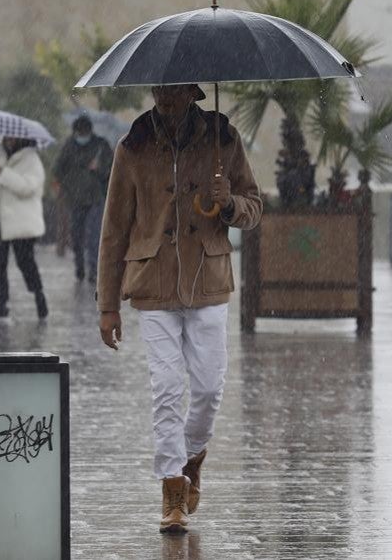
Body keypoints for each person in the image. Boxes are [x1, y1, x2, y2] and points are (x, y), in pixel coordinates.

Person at [96, 83, 262, 534]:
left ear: (192, 92)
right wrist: (107, 305)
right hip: (152, 282)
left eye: (173, 91)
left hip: (207, 279)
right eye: (158, 90)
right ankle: (172, 489)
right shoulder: (132, 146)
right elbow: (114, 229)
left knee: (209, 388)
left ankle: (193, 455)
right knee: (167, 386)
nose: (164, 98)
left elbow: (254, 207)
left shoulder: (222, 139)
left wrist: (228, 202)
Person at [0, 136, 48, 319]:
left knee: (25, 261)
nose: (8, 140)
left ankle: (38, 294)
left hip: (21, 220)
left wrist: (3, 174)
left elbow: (28, 187)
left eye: (12, 137)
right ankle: (1, 303)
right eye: (6, 137)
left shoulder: (31, 159)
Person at [53, 116, 114, 282]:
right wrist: (68, 184)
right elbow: (58, 170)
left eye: (84, 132)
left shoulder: (101, 146)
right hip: (75, 200)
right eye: (79, 133)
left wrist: (99, 168)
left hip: (95, 198)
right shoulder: (69, 146)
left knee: (94, 236)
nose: (81, 136)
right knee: (77, 235)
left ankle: (93, 269)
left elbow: (112, 171)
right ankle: (79, 266)